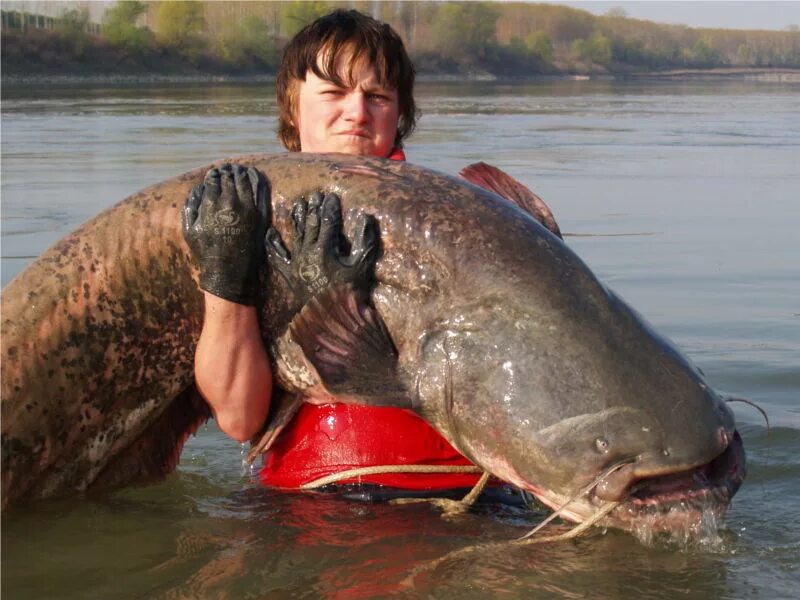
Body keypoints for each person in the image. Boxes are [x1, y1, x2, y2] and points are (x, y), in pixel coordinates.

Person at [187, 10, 486, 496]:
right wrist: (226, 280)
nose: (357, 112)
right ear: (292, 108)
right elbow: (240, 419)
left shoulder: (457, 226)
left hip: (454, 500)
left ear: (400, 114)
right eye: (333, 92)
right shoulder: (247, 219)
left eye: (378, 96)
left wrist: (343, 317)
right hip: (303, 507)